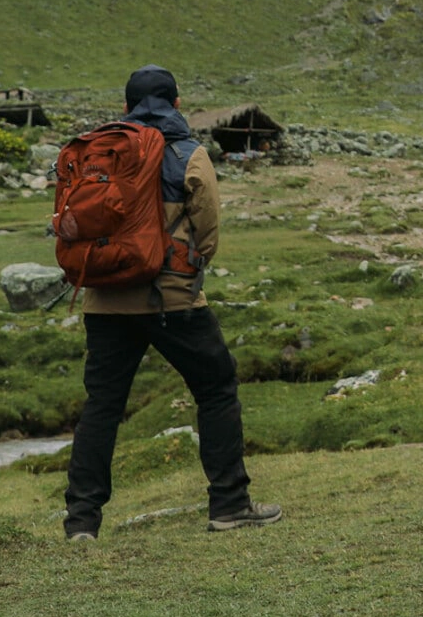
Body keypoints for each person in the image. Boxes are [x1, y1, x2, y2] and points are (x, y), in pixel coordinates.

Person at [62, 65, 280, 540]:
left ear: (124, 108)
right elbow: (209, 232)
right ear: (178, 105)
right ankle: (229, 504)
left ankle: (82, 522)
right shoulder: (188, 153)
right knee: (216, 387)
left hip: (104, 302)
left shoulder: (102, 154)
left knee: (101, 406)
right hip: (174, 302)